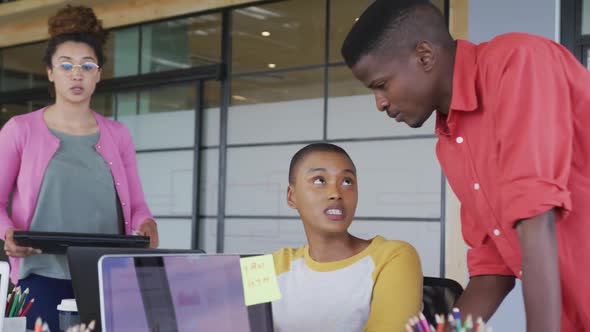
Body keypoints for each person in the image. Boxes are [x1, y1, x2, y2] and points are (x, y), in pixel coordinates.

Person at [340, 0, 590, 331]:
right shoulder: (451, 142)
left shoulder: (518, 62)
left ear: (425, 56)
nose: (380, 103)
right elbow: (492, 269)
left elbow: (535, 217)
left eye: (381, 85)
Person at [0, 5, 159, 330]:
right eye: (66, 65)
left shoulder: (118, 135)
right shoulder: (20, 129)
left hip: (105, 276)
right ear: (49, 71)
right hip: (39, 277)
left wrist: (147, 223)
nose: (77, 74)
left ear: (98, 74)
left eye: (87, 66)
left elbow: (138, 206)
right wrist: (7, 233)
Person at [271, 143, 422, 332]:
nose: (336, 194)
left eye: (347, 182)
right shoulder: (271, 266)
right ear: (291, 196)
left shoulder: (393, 257)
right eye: (319, 180)